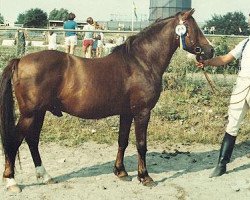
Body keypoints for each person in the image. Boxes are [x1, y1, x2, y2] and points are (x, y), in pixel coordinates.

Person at [196, 35, 250, 178]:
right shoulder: (245, 43)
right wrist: (207, 62)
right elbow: (226, 58)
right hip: (241, 88)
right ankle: (221, 165)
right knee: (232, 125)